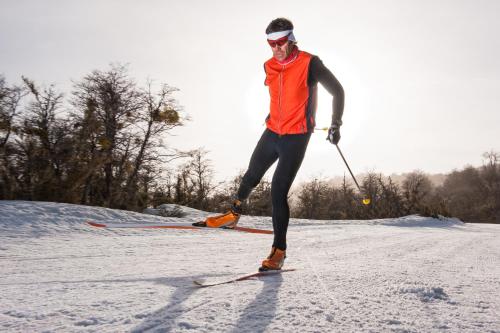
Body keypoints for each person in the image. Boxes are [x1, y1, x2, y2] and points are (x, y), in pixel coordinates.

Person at [196, 17, 345, 271]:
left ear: (292, 39)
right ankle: (232, 215)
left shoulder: (310, 63)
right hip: (272, 131)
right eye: (270, 43)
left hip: (297, 136)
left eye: (281, 42)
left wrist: (335, 124)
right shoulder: (268, 66)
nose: (276, 48)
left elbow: (338, 91)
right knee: (251, 175)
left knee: (277, 191)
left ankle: (279, 251)